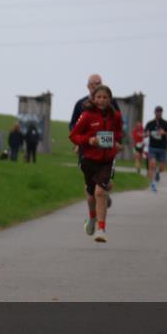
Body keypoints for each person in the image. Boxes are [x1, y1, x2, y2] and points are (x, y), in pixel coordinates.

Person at [69, 85, 124, 243]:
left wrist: (117, 143)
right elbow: (73, 135)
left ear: (110, 100)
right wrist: (89, 140)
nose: (101, 100)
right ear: (93, 99)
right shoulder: (87, 115)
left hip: (107, 161)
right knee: (91, 194)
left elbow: (119, 133)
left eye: (105, 97)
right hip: (89, 160)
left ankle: (101, 230)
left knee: (99, 192)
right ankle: (92, 218)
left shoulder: (116, 116)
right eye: (99, 97)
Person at [143, 105, 167, 193]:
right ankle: (153, 183)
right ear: (154, 112)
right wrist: (146, 134)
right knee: (152, 164)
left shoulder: (166, 123)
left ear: (162, 113)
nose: (158, 113)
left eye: (160, 112)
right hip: (152, 147)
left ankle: (157, 172)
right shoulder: (150, 123)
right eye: (157, 111)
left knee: (162, 168)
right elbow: (144, 134)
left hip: (162, 148)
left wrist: (165, 133)